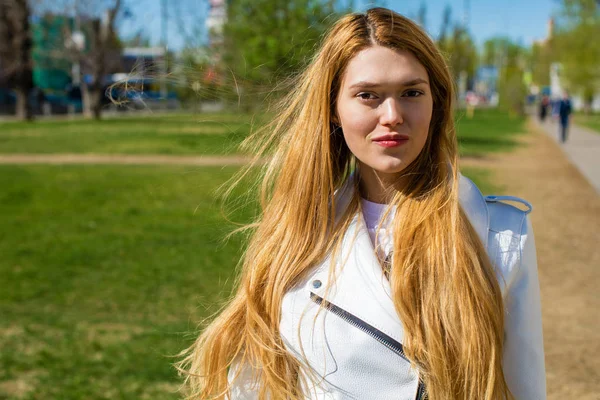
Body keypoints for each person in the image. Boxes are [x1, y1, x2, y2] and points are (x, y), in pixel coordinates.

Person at [179, 8, 546, 400]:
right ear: (334, 109)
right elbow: (252, 383)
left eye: (411, 93)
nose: (392, 116)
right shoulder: (296, 236)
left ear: (436, 103)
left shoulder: (501, 236)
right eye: (368, 95)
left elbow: (523, 387)